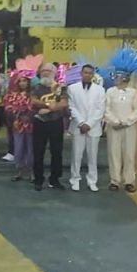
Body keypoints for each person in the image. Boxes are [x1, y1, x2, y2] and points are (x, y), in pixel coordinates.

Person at [29, 62, 68, 191]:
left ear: (54, 73)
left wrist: (48, 110)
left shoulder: (60, 87)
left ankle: (55, 179)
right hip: (39, 122)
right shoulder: (35, 87)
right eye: (43, 70)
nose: (46, 73)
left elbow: (63, 103)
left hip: (56, 122)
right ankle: (38, 179)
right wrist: (47, 105)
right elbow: (33, 101)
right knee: (38, 151)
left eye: (49, 71)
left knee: (56, 152)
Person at [67, 64, 105, 192]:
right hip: (78, 127)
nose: (87, 75)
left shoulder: (100, 90)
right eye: (85, 72)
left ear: (93, 75)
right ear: (81, 74)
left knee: (93, 156)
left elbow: (100, 109)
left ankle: (92, 180)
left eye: (90, 73)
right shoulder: (72, 88)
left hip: (93, 127)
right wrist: (81, 123)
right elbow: (72, 107)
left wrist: (89, 124)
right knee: (76, 155)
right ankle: (75, 179)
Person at [3, 72, 35, 181]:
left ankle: (31, 172)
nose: (22, 83)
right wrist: (17, 115)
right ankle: (19, 171)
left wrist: (28, 116)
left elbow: (35, 107)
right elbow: (8, 108)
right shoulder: (12, 95)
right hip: (17, 125)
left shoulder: (33, 95)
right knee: (18, 148)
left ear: (28, 82)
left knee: (31, 149)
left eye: (24, 81)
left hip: (31, 125)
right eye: (20, 81)